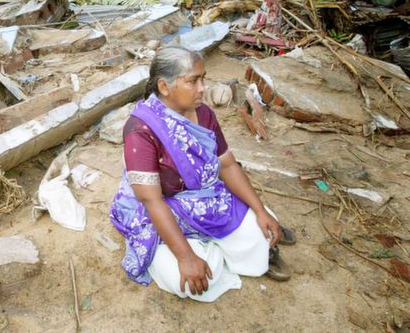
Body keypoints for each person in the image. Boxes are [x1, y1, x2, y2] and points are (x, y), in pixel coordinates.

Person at [110, 46, 294, 302]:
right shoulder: (140, 130)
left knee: (263, 228)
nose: (202, 88)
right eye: (193, 81)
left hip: (206, 200)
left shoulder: (204, 114)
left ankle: (221, 246)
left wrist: (260, 210)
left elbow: (227, 165)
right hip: (164, 209)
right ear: (164, 86)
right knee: (187, 280)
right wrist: (185, 256)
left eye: (203, 78)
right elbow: (151, 200)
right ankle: (212, 249)